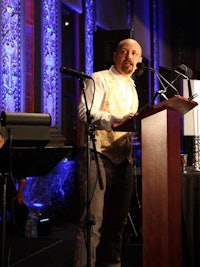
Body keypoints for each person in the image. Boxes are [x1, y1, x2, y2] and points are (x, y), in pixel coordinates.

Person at [73, 38, 142, 267]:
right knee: (92, 221)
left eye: (134, 53)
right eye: (124, 52)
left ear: (139, 60)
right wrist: (113, 120)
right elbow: (85, 113)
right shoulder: (99, 78)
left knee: (118, 222)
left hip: (124, 159)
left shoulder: (133, 87)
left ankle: (112, 264)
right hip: (98, 155)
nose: (129, 57)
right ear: (115, 55)